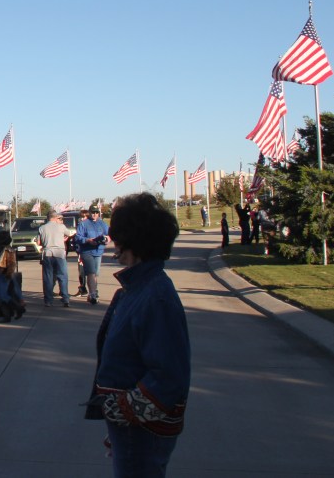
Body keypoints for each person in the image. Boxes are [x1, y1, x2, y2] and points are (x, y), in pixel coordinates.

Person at [86, 192, 190, 477]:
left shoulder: (154, 297)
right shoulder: (137, 290)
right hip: (132, 429)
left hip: (144, 430)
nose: (114, 244)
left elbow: (168, 377)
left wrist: (122, 411)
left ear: (134, 242)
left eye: (117, 237)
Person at [76, 206, 110, 304]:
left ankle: (93, 292)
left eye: (96, 212)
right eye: (93, 212)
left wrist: (107, 240)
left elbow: (109, 235)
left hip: (98, 251)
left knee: (95, 273)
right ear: (89, 213)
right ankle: (93, 294)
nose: (94, 214)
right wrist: (88, 240)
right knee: (91, 273)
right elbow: (78, 237)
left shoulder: (102, 223)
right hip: (87, 251)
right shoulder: (84, 224)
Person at [39, 211, 71, 307]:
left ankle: (48, 300)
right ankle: (65, 298)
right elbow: (68, 234)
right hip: (60, 253)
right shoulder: (61, 227)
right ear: (55, 217)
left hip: (48, 253)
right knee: (62, 276)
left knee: (48, 277)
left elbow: (38, 241)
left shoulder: (42, 228)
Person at [0, 230, 24, 322]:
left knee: (2, 296)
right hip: (8, 273)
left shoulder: (2, 249)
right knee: (3, 296)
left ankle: (17, 309)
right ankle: (9, 314)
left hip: (2, 275)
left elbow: (1, 264)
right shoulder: (10, 248)